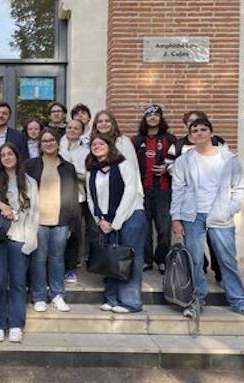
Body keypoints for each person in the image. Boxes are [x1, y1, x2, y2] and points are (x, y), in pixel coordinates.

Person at [171, 118, 244, 322]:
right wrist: (176, 218)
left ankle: (240, 302)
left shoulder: (229, 159)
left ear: (211, 133)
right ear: (190, 135)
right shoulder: (183, 161)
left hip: (220, 216)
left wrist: (229, 210)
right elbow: (178, 190)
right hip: (192, 216)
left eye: (203, 129)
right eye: (194, 130)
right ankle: (196, 301)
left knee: (227, 261)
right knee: (195, 261)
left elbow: (239, 189)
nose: (199, 133)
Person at [0, 143, 39, 343]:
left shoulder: (29, 182)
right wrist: (1, 205)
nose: (6, 157)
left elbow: (34, 214)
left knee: (18, 283)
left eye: (10, 153)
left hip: (19, 238)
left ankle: (16, 324)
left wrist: (30, 241)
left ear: (17, 156)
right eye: (2, 155)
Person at [85, 134, 147, 313]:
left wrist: (117, 221)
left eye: (101, 143)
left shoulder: (123, 164)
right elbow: (91, 198)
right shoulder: (92, 170)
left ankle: (130, 302)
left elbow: (131, 192)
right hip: (106, 220)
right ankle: (111, 299)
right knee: (111, 258)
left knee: (129, 258)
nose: (97, 146)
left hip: (130, 217)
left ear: (109, 146)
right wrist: (100, 221)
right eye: (94, 144)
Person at [25, 128, 79, 313]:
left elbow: (73, 197)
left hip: (61, 220)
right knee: (39, 259)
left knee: (57, 260)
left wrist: (72, 224)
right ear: (40, 144)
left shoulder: (68, 167)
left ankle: (57, 295)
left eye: (52, 140)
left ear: (58, 143)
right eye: (45, 141)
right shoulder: (30, 165)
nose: (48, 143)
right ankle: (39, 296)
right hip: (37, 220)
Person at [169, 110, 226, 282]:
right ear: (187, 126)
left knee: (216, 243)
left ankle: (220, 273)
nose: (197, 130)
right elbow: (171, 166)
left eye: (200, 124)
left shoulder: (219, 144)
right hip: (190, 203)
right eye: (191, 123)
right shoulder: (179, 145)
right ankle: (198, 275)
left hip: (215, 204)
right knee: (193, 243)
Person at [132, 104, 176, 274]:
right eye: (149, 115)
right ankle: (147, 260)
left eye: (156, 115)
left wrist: (168, 169)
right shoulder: (136, 140)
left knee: (164, 227)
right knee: (145, 227)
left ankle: (162, 259)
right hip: (142, 190)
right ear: (145, 118)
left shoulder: (170, 139)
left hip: (163, 190)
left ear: (160, 118)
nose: (152, 118)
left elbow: (180, 162)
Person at [59, 118, 90, 284]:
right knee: (58, 232)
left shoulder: (85, 151)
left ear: (82, 131)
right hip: (56, 195)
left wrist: (70, 169)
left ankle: (70, 268)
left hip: (77, 197)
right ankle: (58, 266)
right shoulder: (57, 146)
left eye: (76, 128)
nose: (72, 130)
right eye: (69, 127)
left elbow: (87, 174)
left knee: (74, 233)